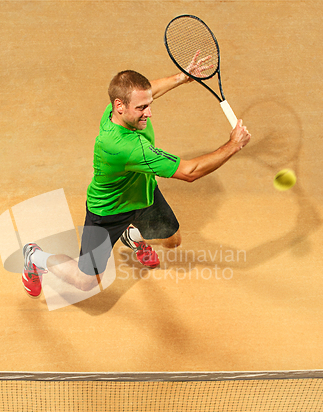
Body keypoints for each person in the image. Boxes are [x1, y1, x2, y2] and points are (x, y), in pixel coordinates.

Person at [22, 66, 251, 298]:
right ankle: (34, 257)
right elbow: (190, 172)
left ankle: (131, 236)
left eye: (148, 104)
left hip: (144, 196)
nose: (149, 113)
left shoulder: (116, 109)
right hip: (109, 211)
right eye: (141, 108)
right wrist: (234, 144)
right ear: (120, 106)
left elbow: (146, 91)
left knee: (173, 241)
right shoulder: (126, 147)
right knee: (85, 281)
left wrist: (182, 77)